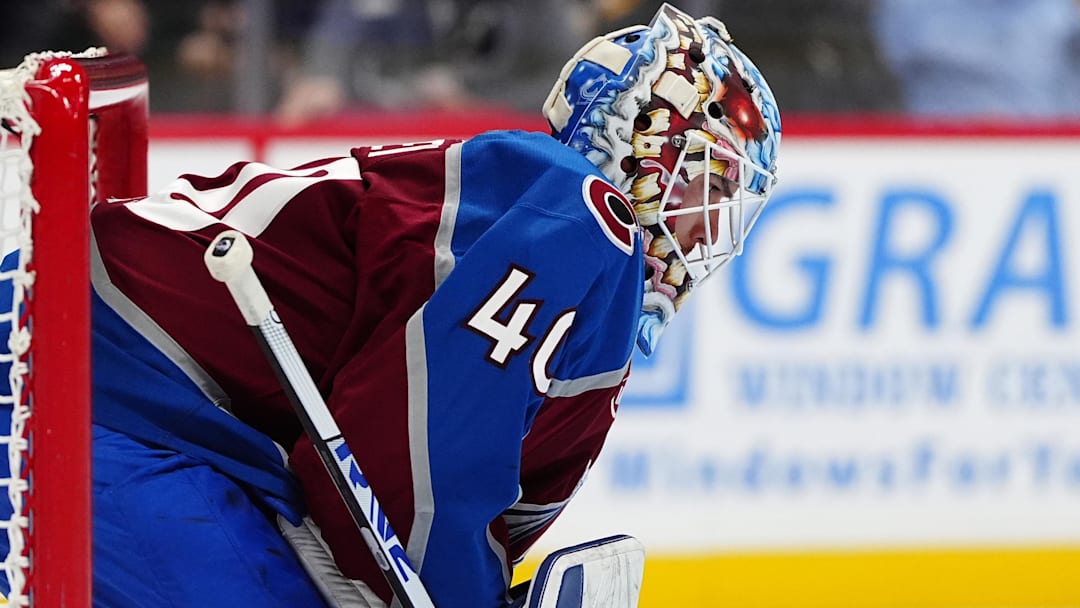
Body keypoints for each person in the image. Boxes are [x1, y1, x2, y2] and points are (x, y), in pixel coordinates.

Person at [87, 3, 780, 607]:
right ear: (638, 147)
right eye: (702, 189)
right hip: (95, 379)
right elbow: (408, 470)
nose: (706, 231)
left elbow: (423, 506)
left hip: (157, 405)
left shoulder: (565, 254)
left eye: (726, 210)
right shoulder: (578, 213)